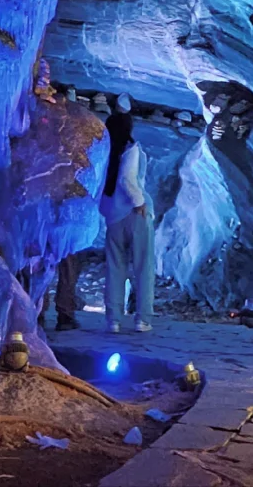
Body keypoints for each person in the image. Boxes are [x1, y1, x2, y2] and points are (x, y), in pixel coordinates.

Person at [100, 93, 154, 333]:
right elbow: (127, 179)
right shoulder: (131, 149)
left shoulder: (104, 153)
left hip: (112, 216)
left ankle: (113, 320)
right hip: (134, 214)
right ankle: (142, 319)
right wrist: (139, 201)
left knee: (114, 268)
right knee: (143, 266)